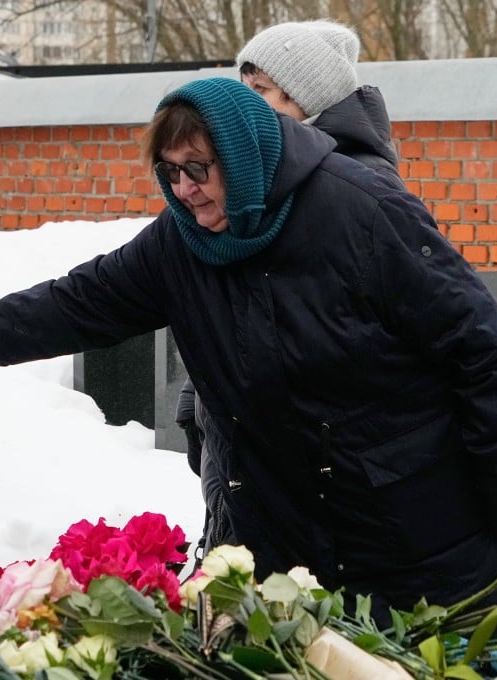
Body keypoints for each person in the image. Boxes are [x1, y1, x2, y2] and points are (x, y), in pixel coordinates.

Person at [0, 76, 497, 632]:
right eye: (170, 172)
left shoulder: (359, 211)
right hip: (291, 533)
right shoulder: (183, 243)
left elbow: (476, 339)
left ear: (241, 155)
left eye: (199, 169)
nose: (184, 190)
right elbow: (79, 302)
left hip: (420, 528)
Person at [177, 18, 404, 560]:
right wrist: (198, 399)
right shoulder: (257, 176)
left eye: (262, 91)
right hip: (243, 453)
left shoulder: (358, 189)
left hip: (317, 477)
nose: (244, 106)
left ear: (309, 101)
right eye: (243, 87)